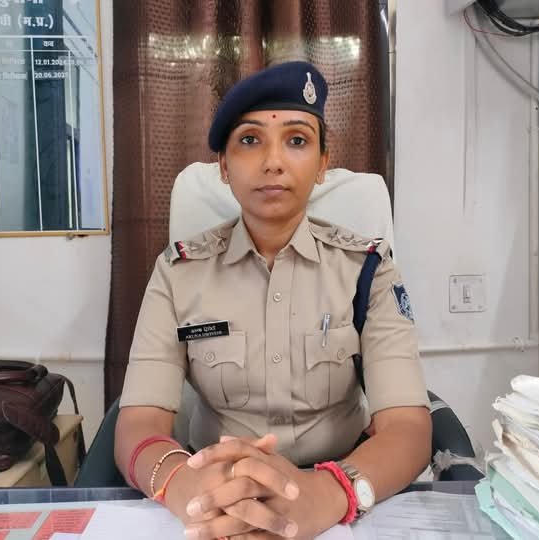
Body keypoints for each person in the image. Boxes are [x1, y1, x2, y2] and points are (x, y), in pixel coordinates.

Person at [114, 61, 431, 540]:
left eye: (297, 140)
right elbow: (139, 422)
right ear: (224, 166)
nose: (273, 162)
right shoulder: (179, 273)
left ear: (323, 163)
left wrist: (326, 495)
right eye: (249, 140)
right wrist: (189, 491)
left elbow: (407, 427)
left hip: (337, 489)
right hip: (215, 494)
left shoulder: (368, 270)